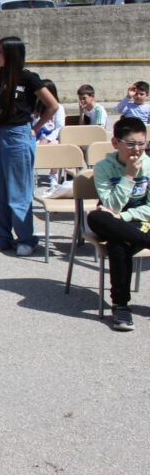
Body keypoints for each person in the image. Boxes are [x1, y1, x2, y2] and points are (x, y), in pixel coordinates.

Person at [0, 36, 59, 256]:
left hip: (19, 135)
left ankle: (26, 238)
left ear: (10, 54)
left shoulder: (28, 78)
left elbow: (52, 105)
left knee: (18, 191)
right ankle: (2, 236)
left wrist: (35, 127)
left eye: (0, 51)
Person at [86, 117, 150, 331]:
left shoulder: (149, 165)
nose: (137, 150)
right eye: (131, 144)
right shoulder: (104, 167)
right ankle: (121, 306)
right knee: (95, 217)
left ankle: (120, 306)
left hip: (137, 222)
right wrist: (130, 175)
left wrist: (125, 216)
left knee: (118, 243)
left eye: (142, 144)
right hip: (110, 221)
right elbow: (111, 206)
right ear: (115, 143)